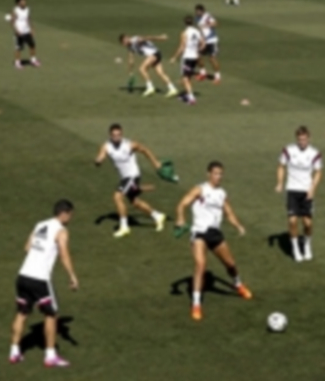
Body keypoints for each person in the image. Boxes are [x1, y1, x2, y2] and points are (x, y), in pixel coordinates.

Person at [175, 161, 252, 321]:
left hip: (215, 233)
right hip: (199, 233)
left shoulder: (222, 193)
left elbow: (229, 212)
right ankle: (196, 304)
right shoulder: (200, 189)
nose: (218, 177)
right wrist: (181, 218)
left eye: (220, 174)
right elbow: (182, 204)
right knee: (201, 265)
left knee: (230, 264)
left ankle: (238, 284)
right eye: (216, 173)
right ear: (208, 174)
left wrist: (238, 225)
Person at [9, 199, 78, 367]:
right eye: (70, 214)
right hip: (40, 279)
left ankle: (14, 352)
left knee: (22, 313)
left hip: (23, 275)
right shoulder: (61, 231)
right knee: (51, 315)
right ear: (64, 213)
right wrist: (72, 275)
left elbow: (27, 247)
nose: (71, 218)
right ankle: (50, 355)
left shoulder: (40, 224)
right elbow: (64, 254)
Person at [94, 123, 167, 238]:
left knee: (117, 196)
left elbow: (145, 150)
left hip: (133, 176)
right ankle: (157, 216)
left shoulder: (129, 145)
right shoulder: (107, 146)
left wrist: (155, 163)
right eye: (114, 135)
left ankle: (124, 227)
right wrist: (98, 160)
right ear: (110, 135)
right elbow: (101, 156)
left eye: (119, 135)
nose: (117, 137)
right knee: (134, 202)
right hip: (124, 178)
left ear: (122, 134)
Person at [275, 126, 322, 262]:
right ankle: (295, 249)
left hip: (306, 191)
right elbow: (280, 166)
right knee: (292, 220)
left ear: (309, 139)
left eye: (305, 139)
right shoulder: (288, 150)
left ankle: (307, 244)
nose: (302, 142)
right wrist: (279, 183)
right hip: (292, 190)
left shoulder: (314, 153)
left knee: (307, 223)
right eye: (300, 139)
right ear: (296, 139)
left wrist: (312, 188)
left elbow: (318, 172)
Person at [170, 16, 205, 104]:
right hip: (194, 58)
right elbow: (203, 43)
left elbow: (182, 47)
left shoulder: (184, 33)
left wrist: (175, 57)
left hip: (187, 57)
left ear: (184, 23)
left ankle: (191, 98)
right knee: (188, 77)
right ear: (192, 22)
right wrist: (198, 51)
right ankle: (186, 94)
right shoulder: (197, 31)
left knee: (185, 78)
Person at [11, 0, 40, 69]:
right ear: (18, 2)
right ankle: (17, 63)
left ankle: (33, 60)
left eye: (24, 1)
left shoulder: (27, 9)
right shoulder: (16, 10)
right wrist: (17, 31)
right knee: (19, 48)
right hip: (19, 32)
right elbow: (12, 21)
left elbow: (28, 19)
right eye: (22, 1)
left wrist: (32, 28)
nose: (24, 2)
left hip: (27, 31)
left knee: (32, 45)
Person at [195, 4, 221, 84]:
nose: (197, 13)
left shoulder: (208, 16)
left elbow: (216, 24)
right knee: (197, 55)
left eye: (198, 11)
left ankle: (217, 76)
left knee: (212, 58)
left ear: (203, 11)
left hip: (212, 40)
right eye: (196, 11)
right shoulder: (197, 18)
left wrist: (206, 25)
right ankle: (203, 73)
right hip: (203, 41)